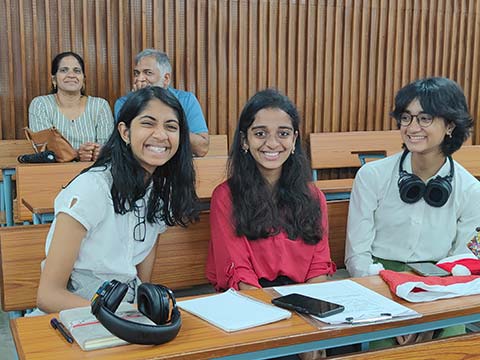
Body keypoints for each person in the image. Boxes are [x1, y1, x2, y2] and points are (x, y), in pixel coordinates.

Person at [36, 87, 198, 313]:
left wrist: (142, 304)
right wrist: (128, 314)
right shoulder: (92, 188)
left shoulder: (160, 191)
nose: (161, 135)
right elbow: (49, 296)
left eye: (171, 126)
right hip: (77, 306)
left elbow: (144, 257)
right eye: (148, 123)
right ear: (125, 132)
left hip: (124, 302)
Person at [345, 77, 480, 346]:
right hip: (378, 284)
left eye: (425, 118)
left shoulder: (471, 189)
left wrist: (428, 316)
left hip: (442, 289)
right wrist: (392, 309)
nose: (412, 128)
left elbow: (465, 261)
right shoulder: (371, 176)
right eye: (406, 118)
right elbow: (357, 255)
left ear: (450, 125)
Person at [206, 89, 336, 292]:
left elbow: (318, 267)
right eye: (260, 133)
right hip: (250, 301)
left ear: (294, 139)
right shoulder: (225, 197)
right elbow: (239, 272)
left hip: (304, 298)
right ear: (244, 140)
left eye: (283, 133)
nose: (272, 143)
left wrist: (310, 307)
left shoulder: (314, 197)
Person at [114, 49, 209, 157]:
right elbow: (127, 144)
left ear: (166, 79)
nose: (139, 79)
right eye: (136, 73)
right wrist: (139, 103)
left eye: (148, 73)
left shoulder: (186, 100)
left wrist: (171, 126)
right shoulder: (124, 103)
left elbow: (202, 148)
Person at [29, 51, 114, 162]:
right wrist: (77, 155)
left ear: (83, 78)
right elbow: (45, 150)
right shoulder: (41, 105)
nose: (71, 75)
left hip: (94, 171)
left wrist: (97, 152)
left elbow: (106, 146)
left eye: (77, 71)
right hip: (52, 173)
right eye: (64, 70)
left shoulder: (100, 106)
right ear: (54, 79)